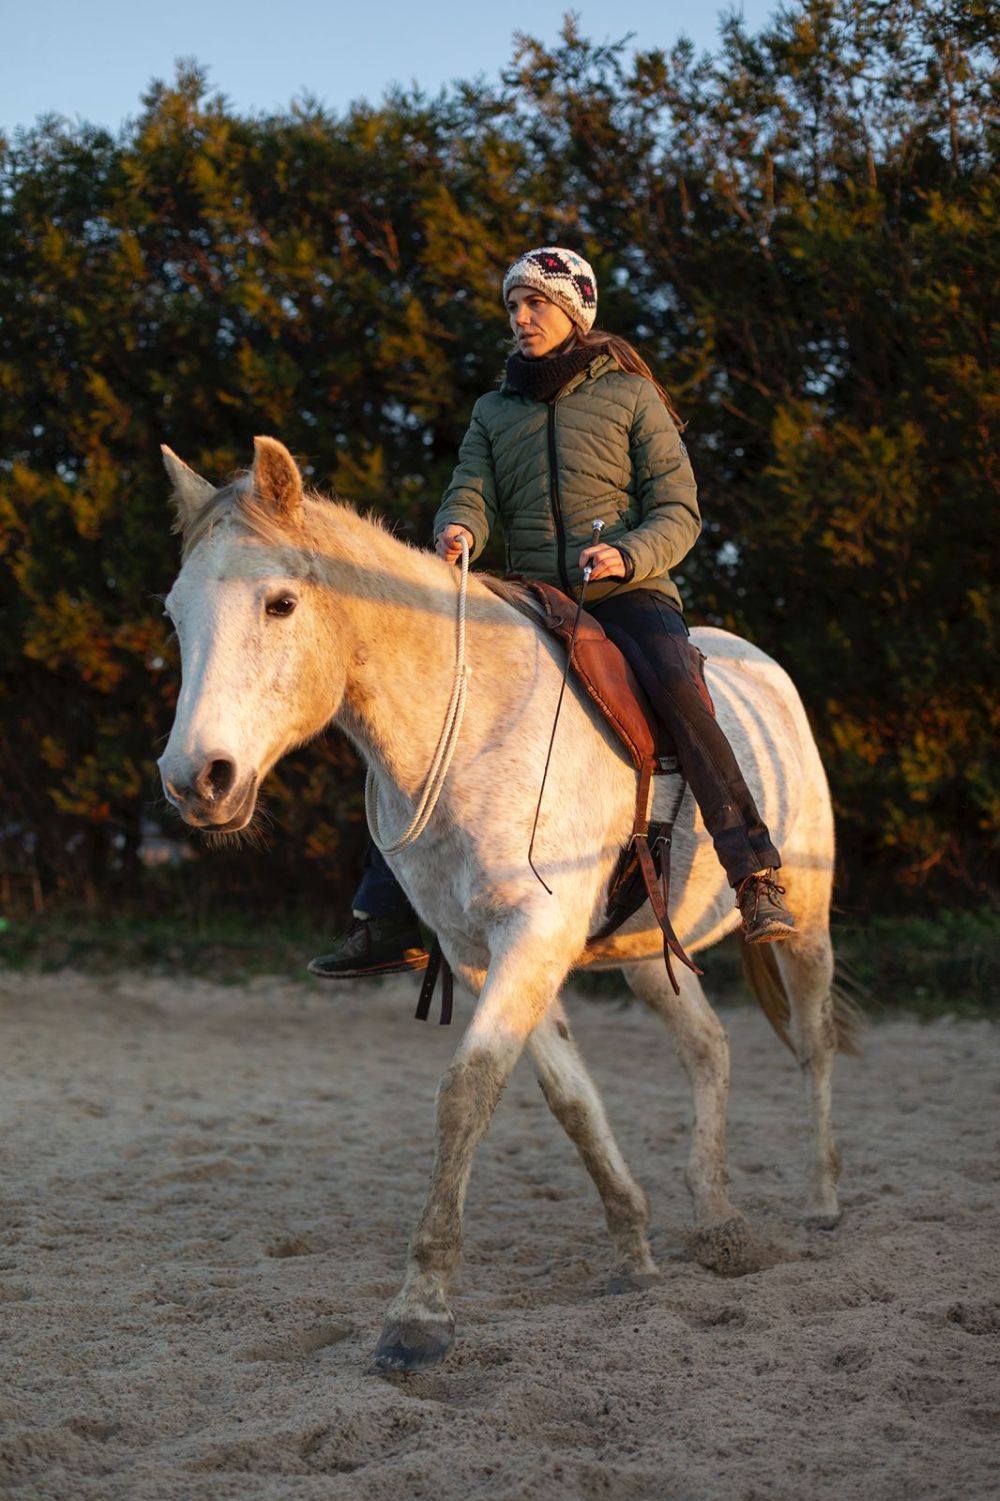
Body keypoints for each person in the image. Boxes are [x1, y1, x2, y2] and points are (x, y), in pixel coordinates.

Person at [309, 247, 794, 979]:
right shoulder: (494, 409)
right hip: (531, 595)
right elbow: (468, 487)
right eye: (513, 305)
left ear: (574, 310)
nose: (521, 317)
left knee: (681, 689)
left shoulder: (630, 397)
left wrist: (628, 555)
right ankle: (386, 916)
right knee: (422, 713)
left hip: (629, 593)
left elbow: (679, 511)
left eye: (535, 303)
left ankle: (754, 875)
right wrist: (460, 526)